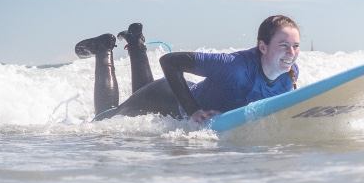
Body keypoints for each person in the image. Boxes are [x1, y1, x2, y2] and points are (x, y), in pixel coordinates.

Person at [74, 16, 300, 123]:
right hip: (168, 98)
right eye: (283, 46)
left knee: (139, 92)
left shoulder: (289, 73)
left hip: (189, 90)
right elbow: (170, 62)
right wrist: (192, 110)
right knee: (105, 120)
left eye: (295, 46)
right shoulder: (233, 67)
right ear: (262, 46)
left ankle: (135, 44)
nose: (291, 53)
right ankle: (103, 49)